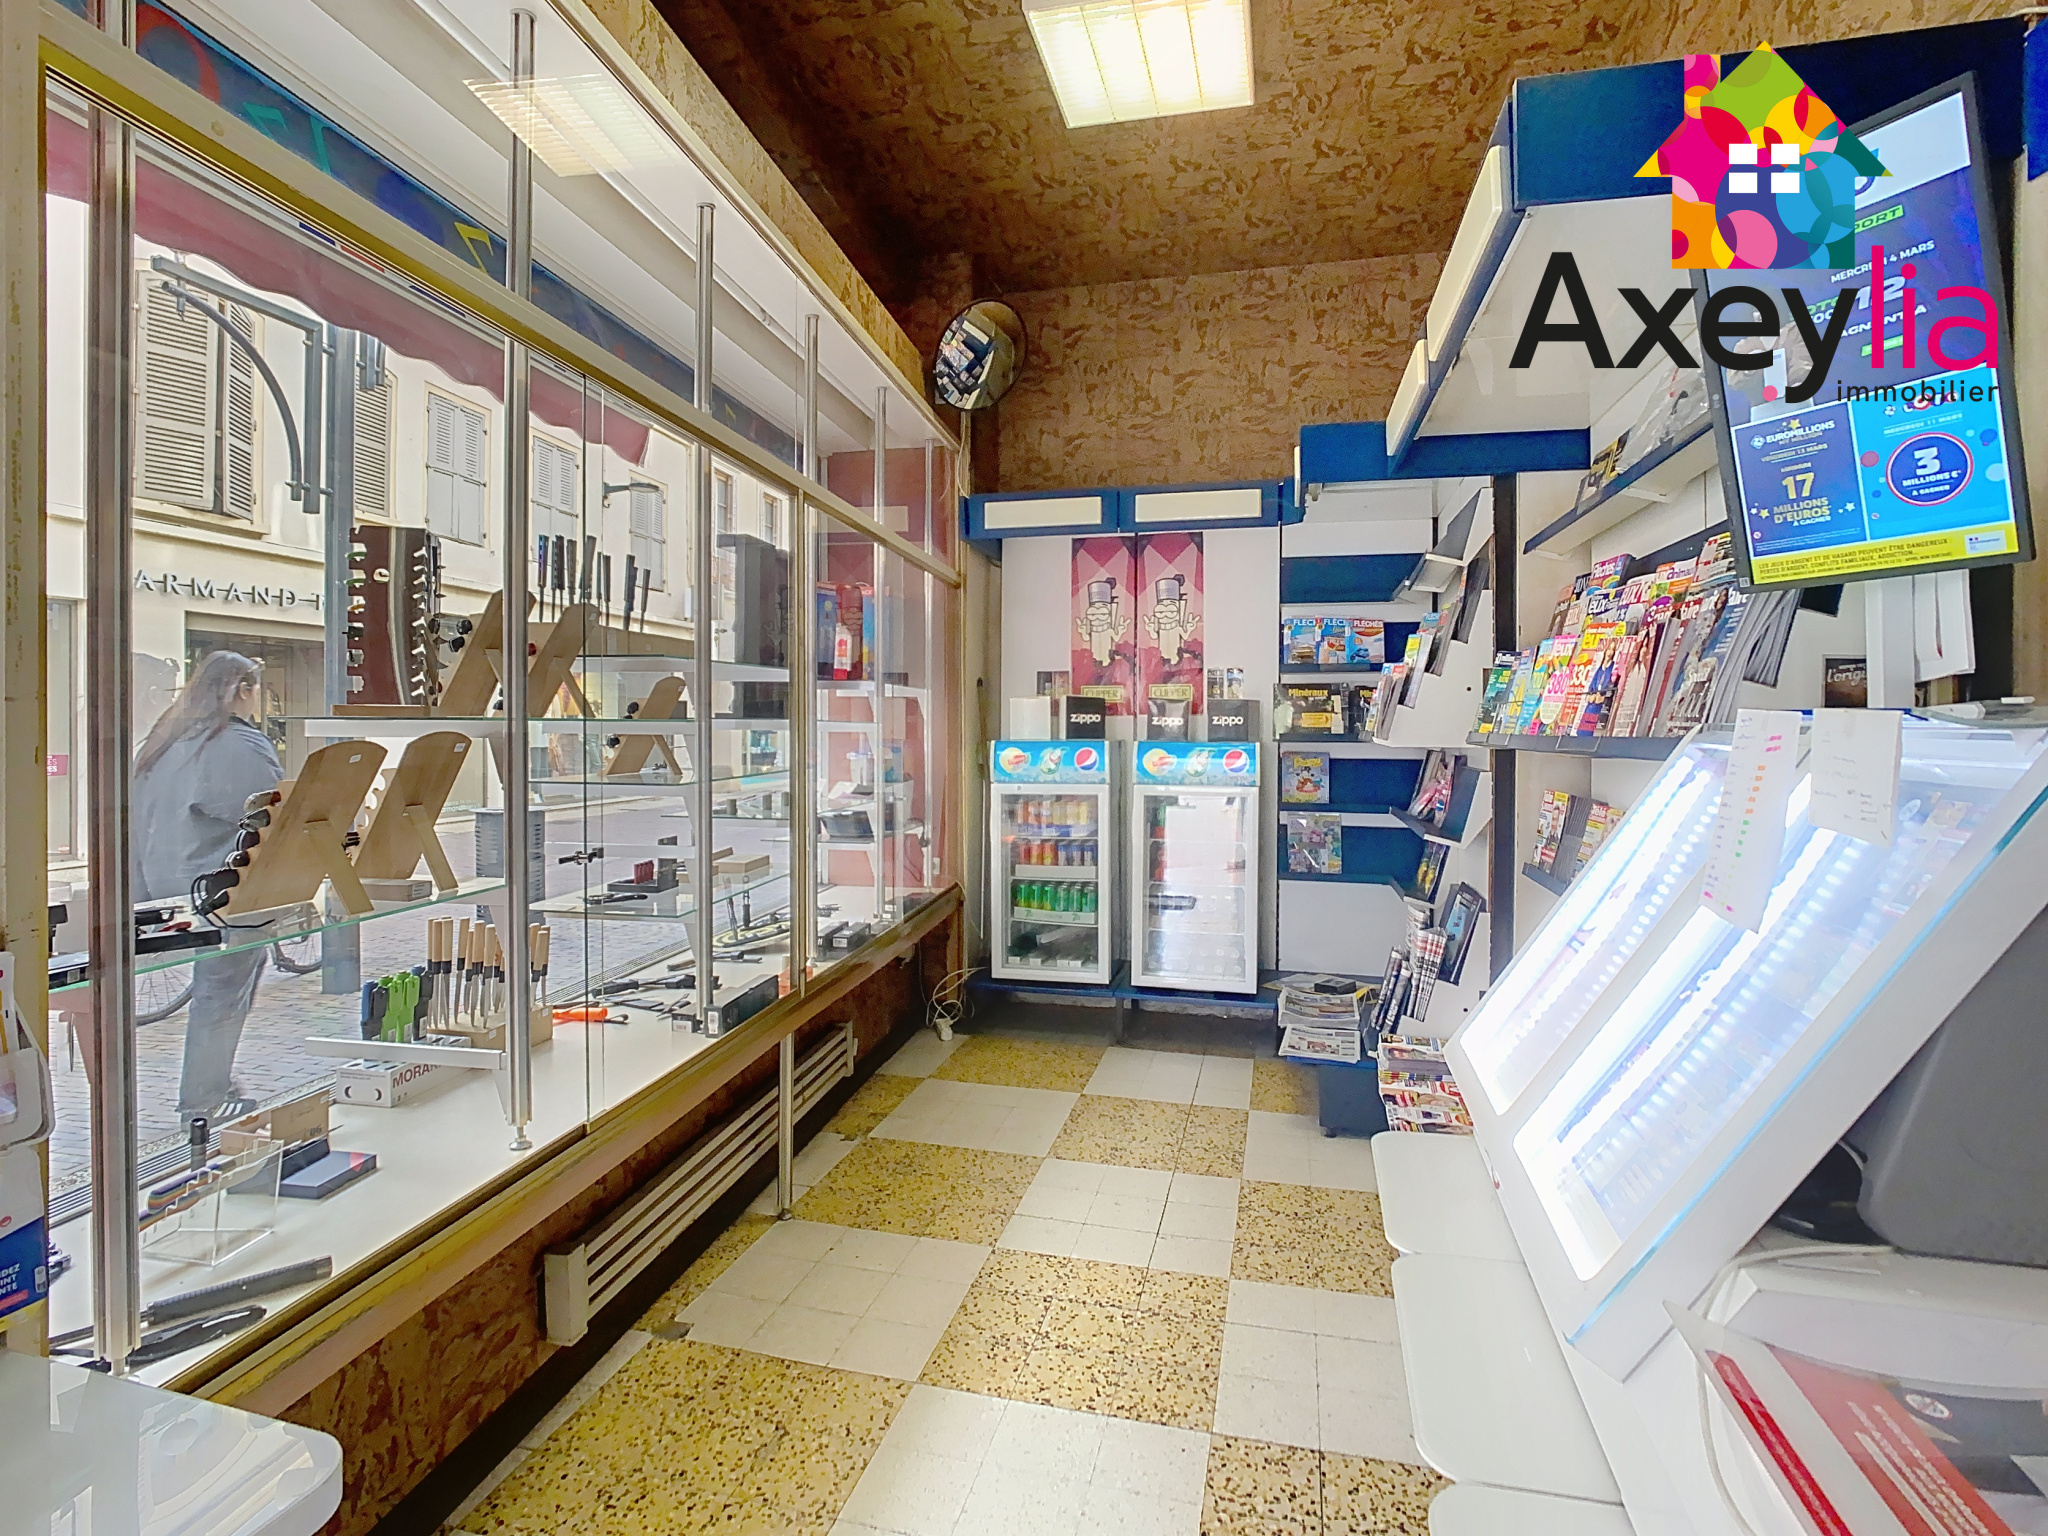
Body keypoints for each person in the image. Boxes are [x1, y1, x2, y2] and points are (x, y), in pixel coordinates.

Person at [132, 651, 283, 1124]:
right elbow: (272, 813)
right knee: (222, 992)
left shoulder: (166, 741)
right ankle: (203, 1097)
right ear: (244, 690)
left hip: (163, 885)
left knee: (220, 987)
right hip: (220, 893)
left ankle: (207, 1089)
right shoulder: (235, 744)